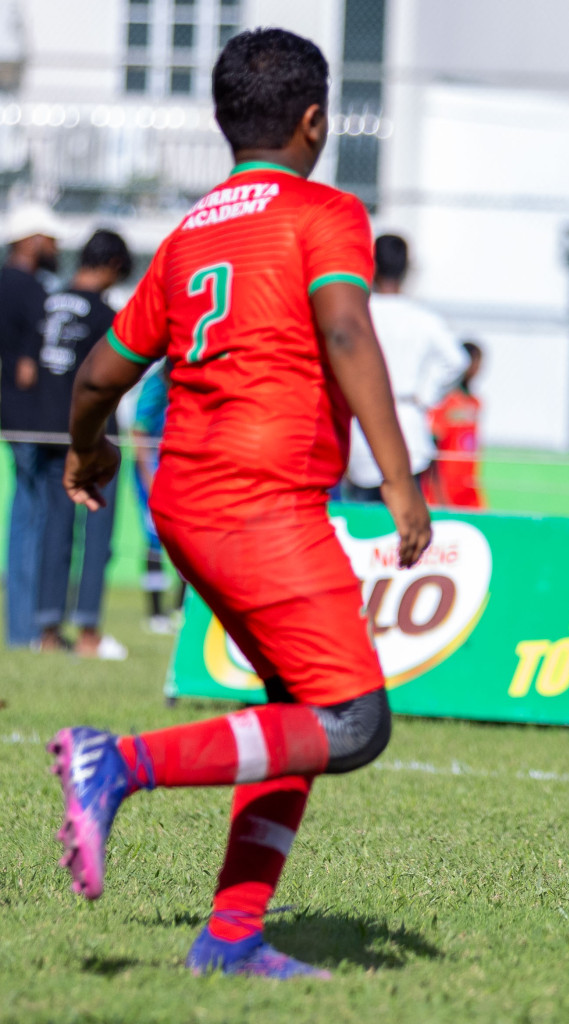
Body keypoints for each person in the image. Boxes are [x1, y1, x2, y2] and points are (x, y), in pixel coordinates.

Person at [47, 28, 431, 979]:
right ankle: (116, 762)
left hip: (185, 499)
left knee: (292, 712)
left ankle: (230, 937)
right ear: (315, 121)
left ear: (226, 124)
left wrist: (87, 454)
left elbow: (101, 373)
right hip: (261, 501)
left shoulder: (189, 236)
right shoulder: (324, 212)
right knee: (351, 723)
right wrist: (399, 473)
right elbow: (345, 324)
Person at [34, 229, 134, 659]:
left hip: (46, 428)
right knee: (96, 533)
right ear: (112, 265)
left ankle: (47, 632)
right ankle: (89, 632)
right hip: (92, 436)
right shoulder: (104, 314)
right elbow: (108, 378)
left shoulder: (50, 301)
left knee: (51, 532)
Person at [342, 234, 468, 502]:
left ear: (371, 265)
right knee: (405, 522)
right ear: (407, 269)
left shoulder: (358, 314)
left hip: (361, 424)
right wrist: (425, 394)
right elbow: (457, 360)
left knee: (362, 522)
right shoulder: (422, 318)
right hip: (407, 421)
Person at [1, 203, 62, 648]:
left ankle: (24, 628)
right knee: (34, 518)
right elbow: (29, 368)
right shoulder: (32, 290)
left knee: (24, 516)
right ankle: (27, 630)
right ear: (30, 241)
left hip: (8, 414)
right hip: (31, 420)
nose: (55, 247)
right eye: (49, 238)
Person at [130, 360, 181, 633]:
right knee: (154, 539)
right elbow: (138, 432)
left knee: (185, 539)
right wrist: (150, 479)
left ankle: (180, 609)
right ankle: (155, 613)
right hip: (151, 470)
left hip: (179, 471)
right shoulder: (155, 385)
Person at [425, 339, 485, 509]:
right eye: (474, 362)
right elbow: (433, 451)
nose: (478, 368)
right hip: (445, 493)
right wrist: (439, 495)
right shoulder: (444, 402)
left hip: (469, 492)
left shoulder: (475, 403)